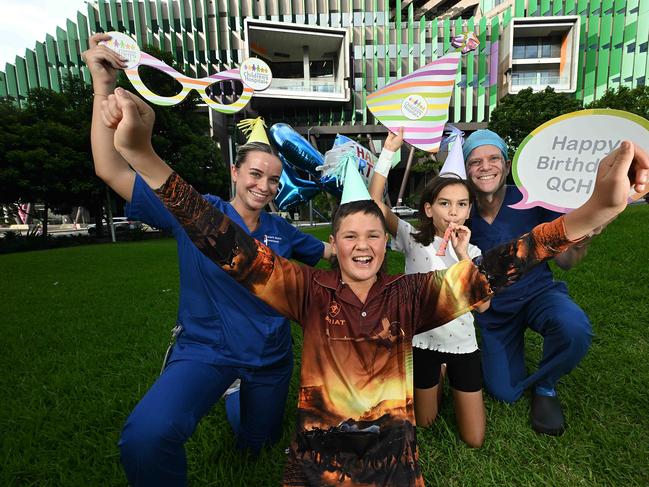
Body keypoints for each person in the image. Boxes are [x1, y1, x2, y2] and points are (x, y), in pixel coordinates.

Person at [98, 87, 648, 485]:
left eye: (372, 236)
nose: (363, 245)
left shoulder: (411, 298)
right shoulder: (304, 291)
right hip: (314, 469)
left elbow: (507, 262)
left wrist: (595, 208)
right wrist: (143, 154)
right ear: (332, 247)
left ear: (388, 247)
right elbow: (218, 238)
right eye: (349, 236)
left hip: (394, 469)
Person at [83, 34, 332, 486]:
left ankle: (236, 396)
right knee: (146, 436)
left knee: (257, 443)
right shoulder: (196, 210)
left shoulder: (285, 232)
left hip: (269, 358)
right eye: (255, 174)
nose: (265, 186)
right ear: (235, 172)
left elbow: (335, 253)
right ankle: (220, 384)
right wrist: (103, 86)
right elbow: (111, 168)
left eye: (274, 180)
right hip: (206, 352)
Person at [463, 129, 603, 436]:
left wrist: (581, 241)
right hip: (495, 314)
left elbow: (566, 262)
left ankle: (545, 385)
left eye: (493, 158)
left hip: (540, 295)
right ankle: (519, 374)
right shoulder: (462, 212)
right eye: (475, 162)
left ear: (507, 162)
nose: (485, 167)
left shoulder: (534, 198)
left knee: (573, 327)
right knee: (505, 393)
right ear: (466, 169)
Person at [368, 129, 487, 447]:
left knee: (474, 440)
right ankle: (436, 376)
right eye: (445, 203)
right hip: (422, 344)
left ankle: (448, 372)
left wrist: (462, 255)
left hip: (463, 346)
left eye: (462, 204)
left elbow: (484, 306)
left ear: (468, 211)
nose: (453, 211)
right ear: (428, 208)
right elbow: (376, 202)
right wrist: (389, 151)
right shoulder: (411, 238)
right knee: (425, 422)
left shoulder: (472, 253)